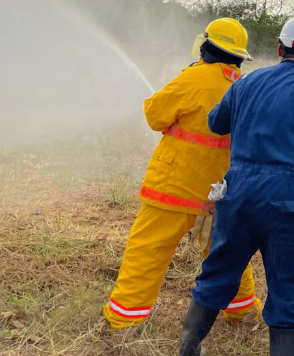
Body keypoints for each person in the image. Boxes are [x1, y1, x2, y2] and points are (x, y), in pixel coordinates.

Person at [178, 16, 294, 356]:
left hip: (239, 191)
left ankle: (188, 349)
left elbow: (216, 123)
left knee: (218, 271)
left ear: (280, 48)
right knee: (289, 288)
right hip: (290, 196)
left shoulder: (248, 82)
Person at [103, 18, 262, 329]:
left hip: (174, 188)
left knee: (148, 251)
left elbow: (154, 115)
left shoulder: (193, 78)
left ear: (205, 46)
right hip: (219, 192)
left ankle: (124, 321)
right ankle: (243, 311)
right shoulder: (245, 86)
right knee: (226, 253)